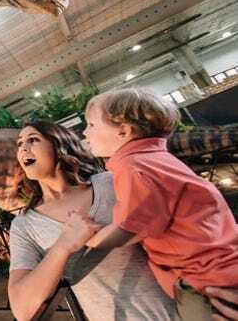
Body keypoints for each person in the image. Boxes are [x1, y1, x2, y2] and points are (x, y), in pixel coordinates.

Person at [83, 87, 238, 321]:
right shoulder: (160, 160)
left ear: (123, 130)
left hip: (207, 285)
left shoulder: (133, 167)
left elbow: (129, 229)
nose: (85, 133)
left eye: (91, 125)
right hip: (224, 268)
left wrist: (87, 238)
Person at [7, 121, 177, 320]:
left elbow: (169, 215)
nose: (23, 148)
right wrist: (63, 245)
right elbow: (22, 310)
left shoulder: (110, 182)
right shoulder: (25, 225)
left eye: (33, 139)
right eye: (19, 144)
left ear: (59, 144)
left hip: (181, 310)